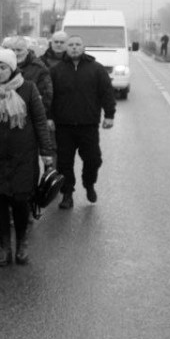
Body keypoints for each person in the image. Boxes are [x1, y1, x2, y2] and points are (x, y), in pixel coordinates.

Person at [0, 49, 56, 266]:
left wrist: (46, 152)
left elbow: (39, 121)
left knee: (20, 201)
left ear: (12, 68)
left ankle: (22, 244)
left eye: (3, 68)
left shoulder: (28, 89)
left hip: (23, 156)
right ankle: (4, 247)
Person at [49, 34, 116, 209]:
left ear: (83, 47)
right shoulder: (56, 71)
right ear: (66, 48)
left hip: (89, 125)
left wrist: (110, 115)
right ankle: (67, 194)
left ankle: (89, 184)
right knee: (64, 163)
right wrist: (49, 117)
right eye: (70, 45)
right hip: (64, 126)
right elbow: (50, 97)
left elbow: (107, 93)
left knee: (93, 160)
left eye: (78, 44)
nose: (74, 48)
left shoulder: (96, 69)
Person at [6, 36, 53, 122]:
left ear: (27, 51)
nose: (15, 53)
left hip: (30, 117)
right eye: (12, 50)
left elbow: (47, 95)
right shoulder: (1, 66)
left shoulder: (39, 68)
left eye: (19, 50)